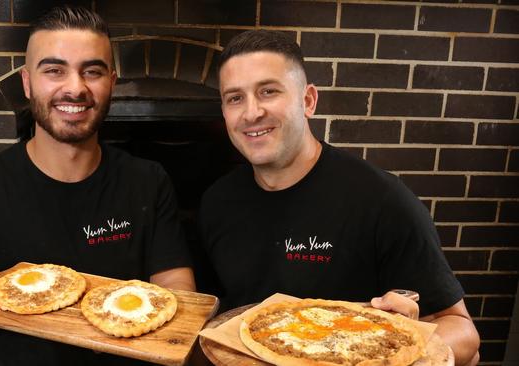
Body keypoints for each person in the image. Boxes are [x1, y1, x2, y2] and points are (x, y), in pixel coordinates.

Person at [0, 6, 195, 365]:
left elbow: (178, 294)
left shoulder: (148, 180)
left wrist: (142, 312)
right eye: (54, 70)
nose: (75, 87)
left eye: (92, 71)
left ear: (112, 82)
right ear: (27, 82)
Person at [197, 30, 479, 366]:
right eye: (235, 98)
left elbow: (464, 333)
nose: (251, 113)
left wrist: (408, 348)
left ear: (308, 101)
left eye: (268, 91)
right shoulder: (217, 202)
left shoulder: (382, 200)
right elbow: (213, 316)